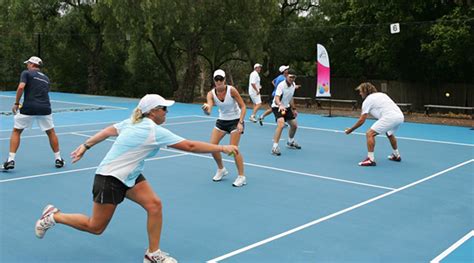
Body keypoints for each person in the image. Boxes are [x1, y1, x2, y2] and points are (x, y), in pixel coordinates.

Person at [34, 94, 239, 263]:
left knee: (154, 205)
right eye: (164, 108)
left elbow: (107, 131)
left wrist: (86, 146)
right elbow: (190, 146)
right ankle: (53, 216)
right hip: (110, 179)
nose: (167, 112)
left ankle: (153, 253)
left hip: (129, 175)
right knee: (95, 227)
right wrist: (222, 147)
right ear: (153, 112)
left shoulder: (133, 121)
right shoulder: (151, 130)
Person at [3, 56, 64, 170]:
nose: (27, 65)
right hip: (45, 108)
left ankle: (11, 160)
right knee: (51, 132)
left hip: (29, 107)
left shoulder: (26, 73)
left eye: (28, 63)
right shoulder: (46, 78)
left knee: (16, 131)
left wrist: (16, 103)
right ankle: (59, 159)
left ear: (32, 64)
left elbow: (21, 87)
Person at [201, 69, 247, 187]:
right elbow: (209, 110)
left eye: (221, 79)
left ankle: (241, 177)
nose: (219, 81)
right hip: (222, 121)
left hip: (235, 121)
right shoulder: (211, 94)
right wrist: (206, 109)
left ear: (224, 80)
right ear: (214, 81)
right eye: (217, 79)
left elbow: (243, 106)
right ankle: (221, 169)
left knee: (232, 150)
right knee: (212, 147)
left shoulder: (231, 90)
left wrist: (240, 122)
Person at [345, 82, 404, 166]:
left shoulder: (367, 100)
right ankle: (396, 155)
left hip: (390, 117)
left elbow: (362, 120)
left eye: (361, 91)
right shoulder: (382, 94)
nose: (360, 93)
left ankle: (370, 159)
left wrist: (351, 130)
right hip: (400, 116)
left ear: (365, 91)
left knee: (370, 134)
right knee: (389, 133)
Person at [270, 70, 301, 156]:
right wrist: (280, 105)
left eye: (294, 77)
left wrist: (294, 109)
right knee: (281, 124)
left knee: (294, 125)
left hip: (286, 107)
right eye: (290, 77)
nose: (292, 79)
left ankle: (290, 142)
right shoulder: (281, 85)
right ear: (286, 76)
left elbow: (291, 98)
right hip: (277, 107)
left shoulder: (293, 85)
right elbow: (276, 98)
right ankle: (274, 147)